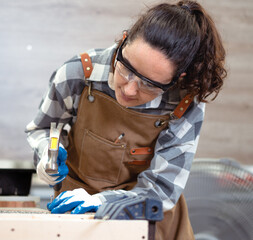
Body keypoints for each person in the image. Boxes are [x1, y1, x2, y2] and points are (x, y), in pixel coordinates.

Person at [25, 0, 226, 239]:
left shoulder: (184, 103)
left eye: (150, 84)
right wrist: (46, 155)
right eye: (127, 69)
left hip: (150, 217)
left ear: (175, 79)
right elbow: (41, 129)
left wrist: (101, 202)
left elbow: (163, 189)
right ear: (122, 42)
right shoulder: (77, 74)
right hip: (77, 214)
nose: (130, 89)